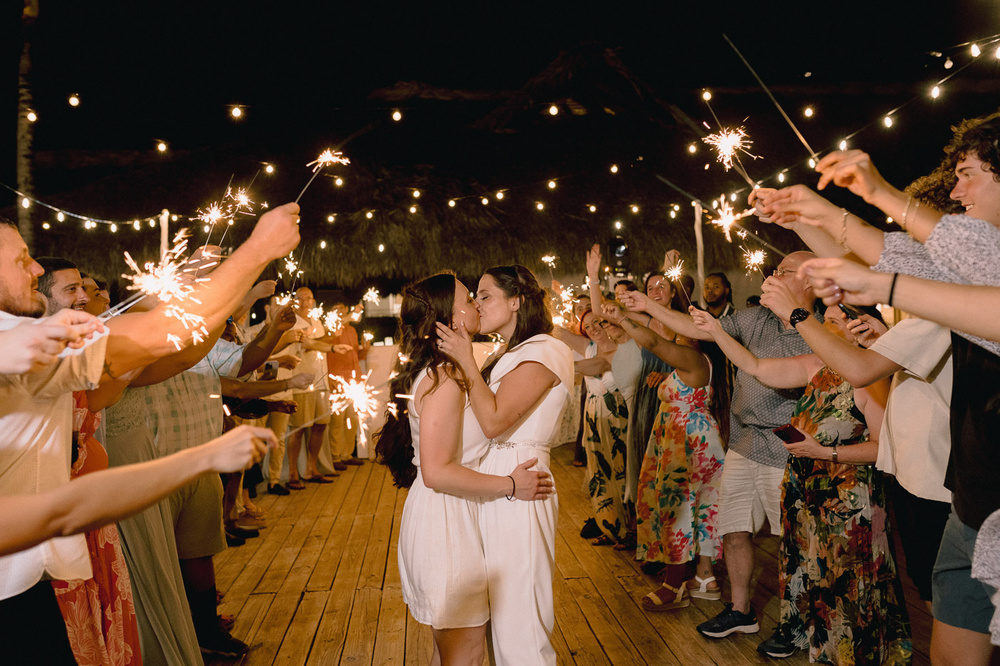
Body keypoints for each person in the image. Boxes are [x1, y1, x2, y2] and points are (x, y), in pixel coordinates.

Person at [692, 300, 911, 663]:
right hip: (808, 498)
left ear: (857, 328)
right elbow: (755, 365)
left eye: (832, 322)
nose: (822, 327)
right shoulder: (817, 366)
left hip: (847, 505)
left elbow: (883, 448)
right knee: (816, 583)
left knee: (849, 592)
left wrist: (825, 453)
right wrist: (715, 329)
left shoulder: (867, 376)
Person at [620, 251, 820, 639]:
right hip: (743, 440)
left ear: (810, 281)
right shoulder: (755, 318)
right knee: (733, 530)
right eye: (774, 270)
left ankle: (798, 619)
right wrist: (646, 305)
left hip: (788, 446)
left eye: (784, 272)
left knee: (792, 539)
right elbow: (700, 330)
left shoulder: (821, 329)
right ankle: (741, 610)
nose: (772, 278)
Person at [375, 272, 553, 665]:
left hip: (450, 512)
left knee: (454, 652)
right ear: (450, 319)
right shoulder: (446, 378)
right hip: (445, 519)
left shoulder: (447, 371)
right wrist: (511, 484)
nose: (476, 305)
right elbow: (437, 471)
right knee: (466, 653)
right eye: (469, 300)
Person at [436, 265, 574, 666]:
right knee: (497, 615)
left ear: (516, 302)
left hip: (523, 472)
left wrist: (464, 359)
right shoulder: (505, 353)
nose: (477, 305)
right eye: (475, 296)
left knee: (521, 618)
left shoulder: (546, 350)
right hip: (496, 480)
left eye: (485, 295)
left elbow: (495, 421)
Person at [602, 301, 726, 612]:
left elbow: (655, 341)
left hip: (686, 440)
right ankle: (704, 577)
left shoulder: (693, 355)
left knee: (678, 508)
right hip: (688, 436)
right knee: (700, 507)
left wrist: (620, 317)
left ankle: (674, 584)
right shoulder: (691, 360)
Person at [556, 309, 629, 546]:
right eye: (587, 326)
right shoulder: (588, 347)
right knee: (600, 472)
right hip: (594, 419)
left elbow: (597, 366)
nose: (593, 328)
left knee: (623, 470)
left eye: (597, 322)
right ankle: (609, 527)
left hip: (619, 420)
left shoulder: (623, 347)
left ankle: (631, 531)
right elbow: (555, 330)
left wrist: (558, 366)